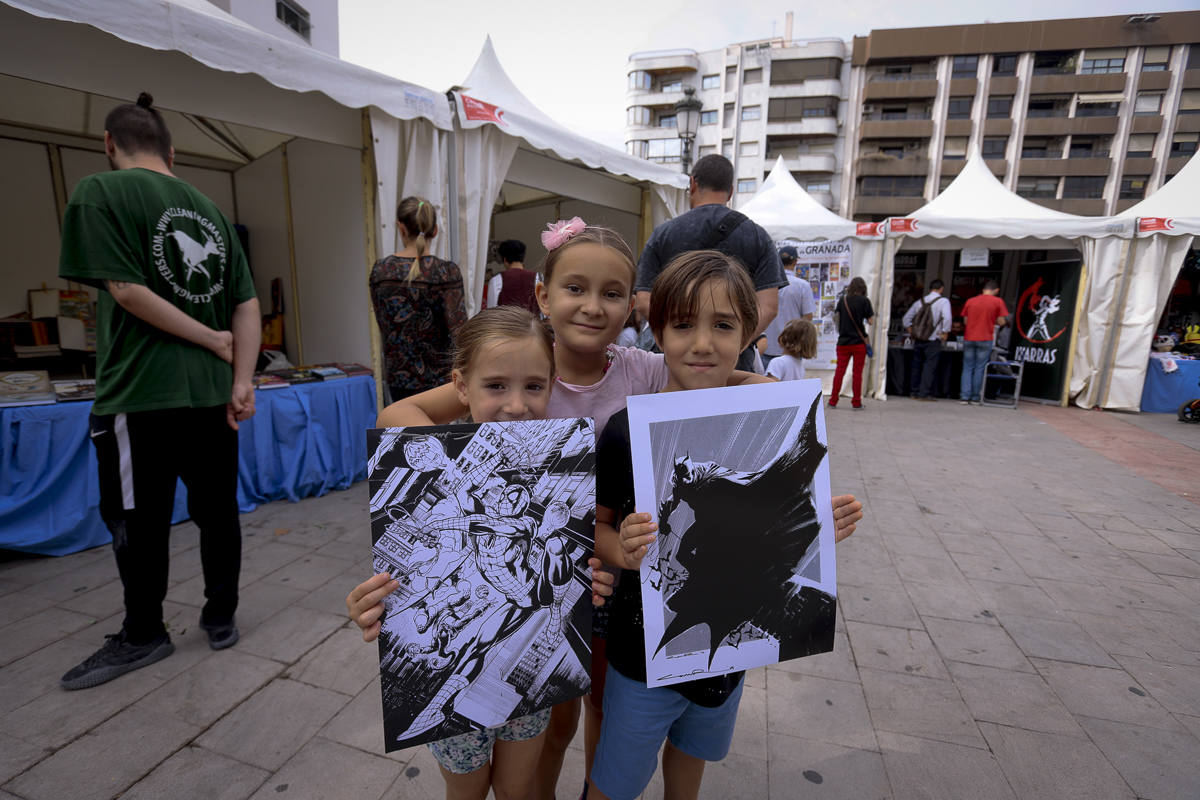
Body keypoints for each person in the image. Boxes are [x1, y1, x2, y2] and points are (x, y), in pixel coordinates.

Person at [351, 218, 865, 800]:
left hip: (616, 578)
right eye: (575, 288)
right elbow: (400, 419)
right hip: (556, 580)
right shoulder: (518, 363)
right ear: (543, 294)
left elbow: (715, 380)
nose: (592, 306)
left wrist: (785, 412)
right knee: (557, 717)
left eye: (612, 293)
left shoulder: (641, 369)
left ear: (632, 310)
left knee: (598, 706)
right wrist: (468, 465)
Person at [588, 250, 859, 800]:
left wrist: (820, 524)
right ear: (657, 331)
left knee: (690, 770)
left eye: (723, 326)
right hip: (643, 657)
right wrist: (624, 550)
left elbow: (780, 521)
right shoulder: (625, 431)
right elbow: (595, 528)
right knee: (614, 785)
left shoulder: (769, 423)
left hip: (728, 657)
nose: (703, 343)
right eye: (684, 325)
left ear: (750, 333)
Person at [349, 307, 604, 800]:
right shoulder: (454, 499)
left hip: (519, 672)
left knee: (516, 786)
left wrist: (580, 577)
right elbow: (411, 566)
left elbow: (548, 580)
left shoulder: (537, 501)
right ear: (461, 386)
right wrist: (372, 603)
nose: (516, 405)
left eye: (534, 386)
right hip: (462, 669)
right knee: (465, 791)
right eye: (495, 386)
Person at [56, 93, 260, 690]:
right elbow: (246, 304)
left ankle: (144, 633)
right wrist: (240, 377)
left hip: (140, 395)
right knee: (217, 513)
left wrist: (217, 345)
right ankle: (220, 618)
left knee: (137, 521)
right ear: (173, 151)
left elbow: (125, 290)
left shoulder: (101, 190)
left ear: (109, 143)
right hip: (211, 398)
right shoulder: (211, 211)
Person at [633, 155, 786, 373]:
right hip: (734, 364)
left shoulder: (663, 234)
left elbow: (643, 301)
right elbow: (769, 306)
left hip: (671, 362)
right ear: (731, 191)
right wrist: (734, 343)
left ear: (693, 184)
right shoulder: (758, 236)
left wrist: (677, 335)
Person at [369, 197, 467, 403]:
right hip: (440, 381)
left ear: (400, 228)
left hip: (398, 379)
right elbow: (459, 330)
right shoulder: (445, 272)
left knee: (403, 433)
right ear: (435, 230)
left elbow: (384, 324)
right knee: (439, 434)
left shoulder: (381, 270)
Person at [761, 246, 816, 369]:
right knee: (791, 387)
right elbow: (808, 317)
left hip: (767, 347)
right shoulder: (802, 286)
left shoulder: (766, 284)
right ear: (795, 261)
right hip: (791, 348)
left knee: (767, 385)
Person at [959, 280, 1009, 404]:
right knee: (980, 368)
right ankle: (975, 397)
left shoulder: (970, 301)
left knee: (967, 367)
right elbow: (1002, 321)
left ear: (983, 290)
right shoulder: (998, 301)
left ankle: (965, 396)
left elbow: (965, 321)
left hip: (969, 337)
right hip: (986, 338)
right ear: (996, 290)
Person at [902, 278, 951, 401]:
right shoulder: (943, 301)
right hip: (934, 339)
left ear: (930, 289)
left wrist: (912, 332)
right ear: (941, 289)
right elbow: (947, 318)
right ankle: (924, 393)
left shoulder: (920, 302)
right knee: (930, 366)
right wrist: (945, 332)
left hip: (919, 339)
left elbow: (906, 319)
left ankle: (913, 392)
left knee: (916, 365)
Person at [830, 277, 875, 409]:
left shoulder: (842, 300)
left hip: (843, 342)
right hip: (858, 343)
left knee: (839, 372)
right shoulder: (865, 301)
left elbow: (835, 319)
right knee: (857, 373)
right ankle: (856, 402)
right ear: (863, 289)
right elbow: (871, 321)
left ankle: (833, 401)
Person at [483, 238, 539, 314]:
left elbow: (491, 312)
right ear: (522, 258)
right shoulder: (537, 278)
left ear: (505, 260)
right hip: (531, 324)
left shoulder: (496, 280)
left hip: (505, 325)